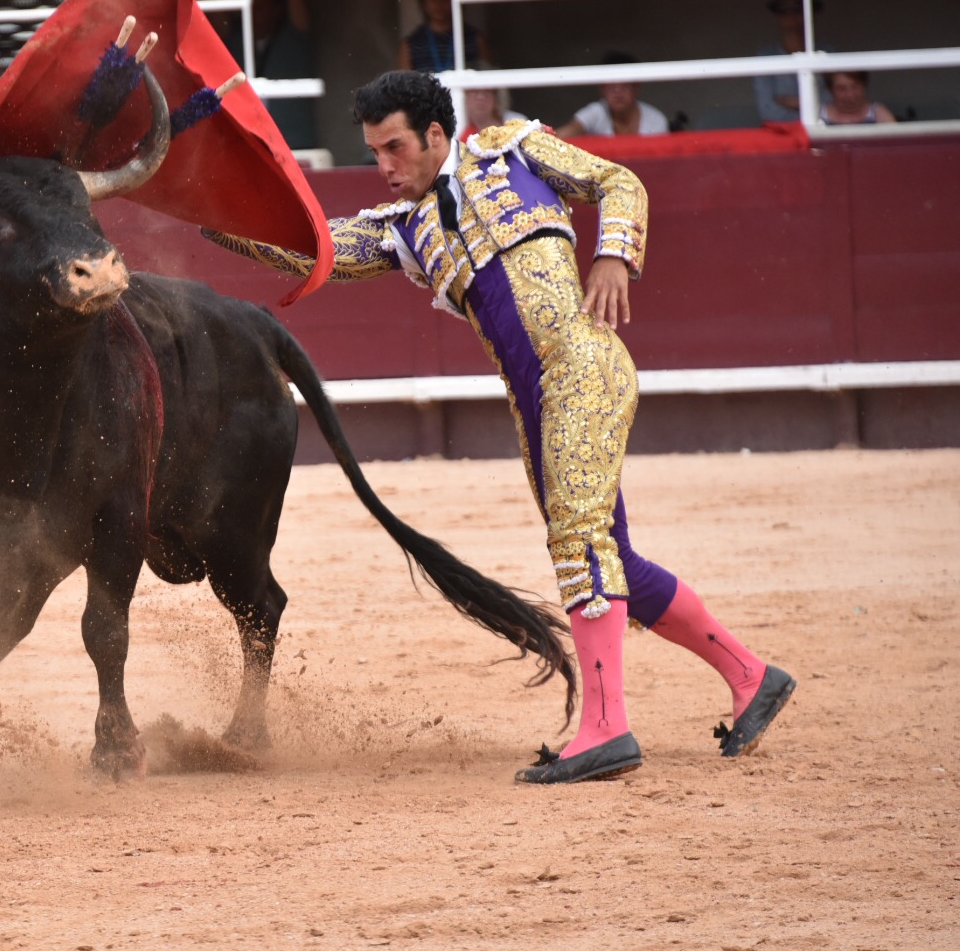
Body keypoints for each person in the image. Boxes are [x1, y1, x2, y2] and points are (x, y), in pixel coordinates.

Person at [203, 71, 795, 783]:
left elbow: (618, 182)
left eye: (394, 148)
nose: (384, 166)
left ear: (433, 136)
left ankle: (607, 730)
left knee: (579, 544)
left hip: (582, 367)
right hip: (535, 402)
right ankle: (752, 676)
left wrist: (613, 255)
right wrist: (213, 213)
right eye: (373, 152)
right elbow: (317, 249)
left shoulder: (512, 151)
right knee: (616, 564)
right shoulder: (404, 230)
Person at [226, 0, 318, 150]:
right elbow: (205, 11)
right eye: (250, 8)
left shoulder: (294, 40)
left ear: (277, 10)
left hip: (294, 147)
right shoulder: (236, 42)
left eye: (260, 8)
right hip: (249, 148)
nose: (253, 14)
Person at [398, 0, 490, 74]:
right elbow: (404, 86)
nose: (439, 3)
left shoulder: (476, 39)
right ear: (423, 2)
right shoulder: (409, 45)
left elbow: (488, 80)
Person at [556, 52, 670, 137]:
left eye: (625, 87)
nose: (618, 93)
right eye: (612, 87)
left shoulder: (656, 120)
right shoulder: (596, 112)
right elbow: (566, 132)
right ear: (602, 88)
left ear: (636, 88)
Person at [753, 0, 820, 124]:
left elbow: (829, 105)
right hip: (779, 134)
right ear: (776, 15)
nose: (790, 15)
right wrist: (807, 107)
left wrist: (788, 101)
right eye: (783, 10)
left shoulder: (826, 53)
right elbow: (767, 110)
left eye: (797, 9)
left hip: (821, 131)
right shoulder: (766, 56)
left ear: (810, 12)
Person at [458, 66, 527, 141]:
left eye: (487, 91)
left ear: (497, 97)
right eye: (474, 91)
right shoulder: (462, 133)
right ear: (465, 97)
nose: (481, 97)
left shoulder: (517, 123)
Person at [820, 70, 897, 126]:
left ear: (864, 86)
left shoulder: (878, 114)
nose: (849, 94)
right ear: (830, 90)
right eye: (841, 88)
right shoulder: (818, 115)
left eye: (855, 87)